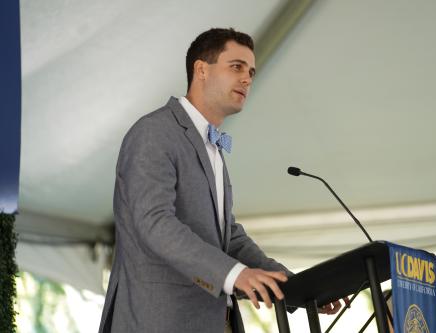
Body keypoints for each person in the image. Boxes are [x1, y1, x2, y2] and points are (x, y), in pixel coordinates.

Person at [98, 28, 345, 333]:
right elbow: (154, 222)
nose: (247, 79)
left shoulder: (212, 146)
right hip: (158, 322)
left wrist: (296, 288)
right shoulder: (155, 132)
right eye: (236, 67)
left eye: (251, 72)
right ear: (201, 70)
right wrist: (234, 274)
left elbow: (230, 238)